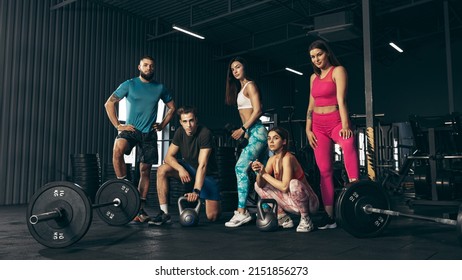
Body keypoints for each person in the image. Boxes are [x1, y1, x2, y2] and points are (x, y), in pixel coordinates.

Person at [104, 55, 176, 223]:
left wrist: (162, 124)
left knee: (145, 171)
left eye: (151, 66)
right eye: (145, 65)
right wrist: (118, 126)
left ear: (154, 68)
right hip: (131, 130)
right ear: (139, 67)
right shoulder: (129, 84)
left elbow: (172, 108)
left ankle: (139, 209)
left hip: (149, 134)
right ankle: (125, 188)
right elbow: (109, 103)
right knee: (117, 150)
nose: (148, 68)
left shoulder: (160, 88)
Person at [305, 40, 359, 230]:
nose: (316, 59)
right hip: (318, 126)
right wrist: (307, 129)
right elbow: (311, 106)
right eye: (313, 56)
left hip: (336, 120)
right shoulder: (313, 78)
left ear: (327, 53)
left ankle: (356, 192)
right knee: (325, 171)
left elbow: (341, 99)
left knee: (348, 143)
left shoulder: (338, 71)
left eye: (319, 54)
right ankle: (330, 217)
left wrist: (345, 125)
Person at [151, 106, 221, 225]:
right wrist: (180, 169)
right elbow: (168, 157)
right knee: (162, 169)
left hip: (207, 174)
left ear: (196, 120)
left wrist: (196, 191)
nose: (188, 125)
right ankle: (164, 214)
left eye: (191, 120)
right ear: (180, 122)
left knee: (213, 216)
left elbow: (202, 165)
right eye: (185, 121)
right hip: (188, 168)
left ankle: (212, 198)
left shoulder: (205, 133)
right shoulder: (180, 132)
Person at [224, 57, 268, 228]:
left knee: (240, 167)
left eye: (238, 67)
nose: (235, 71)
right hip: (253, 134)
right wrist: (246, 134)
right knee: (262, 174)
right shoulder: (241, 88)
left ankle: (242, 211)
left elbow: (258, 111)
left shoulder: (250, 85)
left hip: (257, 132)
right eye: (232, 69)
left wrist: (243, 129)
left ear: (245, 68)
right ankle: (272, 210)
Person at [251, 127, 319, 232]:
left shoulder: (288, 158)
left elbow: (285, 187)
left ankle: (306, 219)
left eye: (275, 138)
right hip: (291, 202)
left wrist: (264, 174)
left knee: (293, 184)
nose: (271, 141)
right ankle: (283, 217)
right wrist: (259, 172)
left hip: (311, 204)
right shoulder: (272, 160)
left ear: (284, 141)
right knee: (257, 184)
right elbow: (260, 185)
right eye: (269, 139)